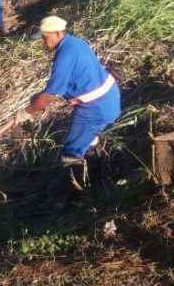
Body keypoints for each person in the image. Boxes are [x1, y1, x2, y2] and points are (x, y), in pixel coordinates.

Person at [14, 16, 121, 186]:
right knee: (88, 141)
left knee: (70, 153)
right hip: (109, 98)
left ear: (57, 33)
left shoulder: (65, 55)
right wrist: (38, 100)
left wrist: (26, 112)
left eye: (45, 36)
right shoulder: (75, 43)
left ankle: (77, 194)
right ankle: (99, 179)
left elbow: (49, 96)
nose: (43, 40)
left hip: (95, 107)